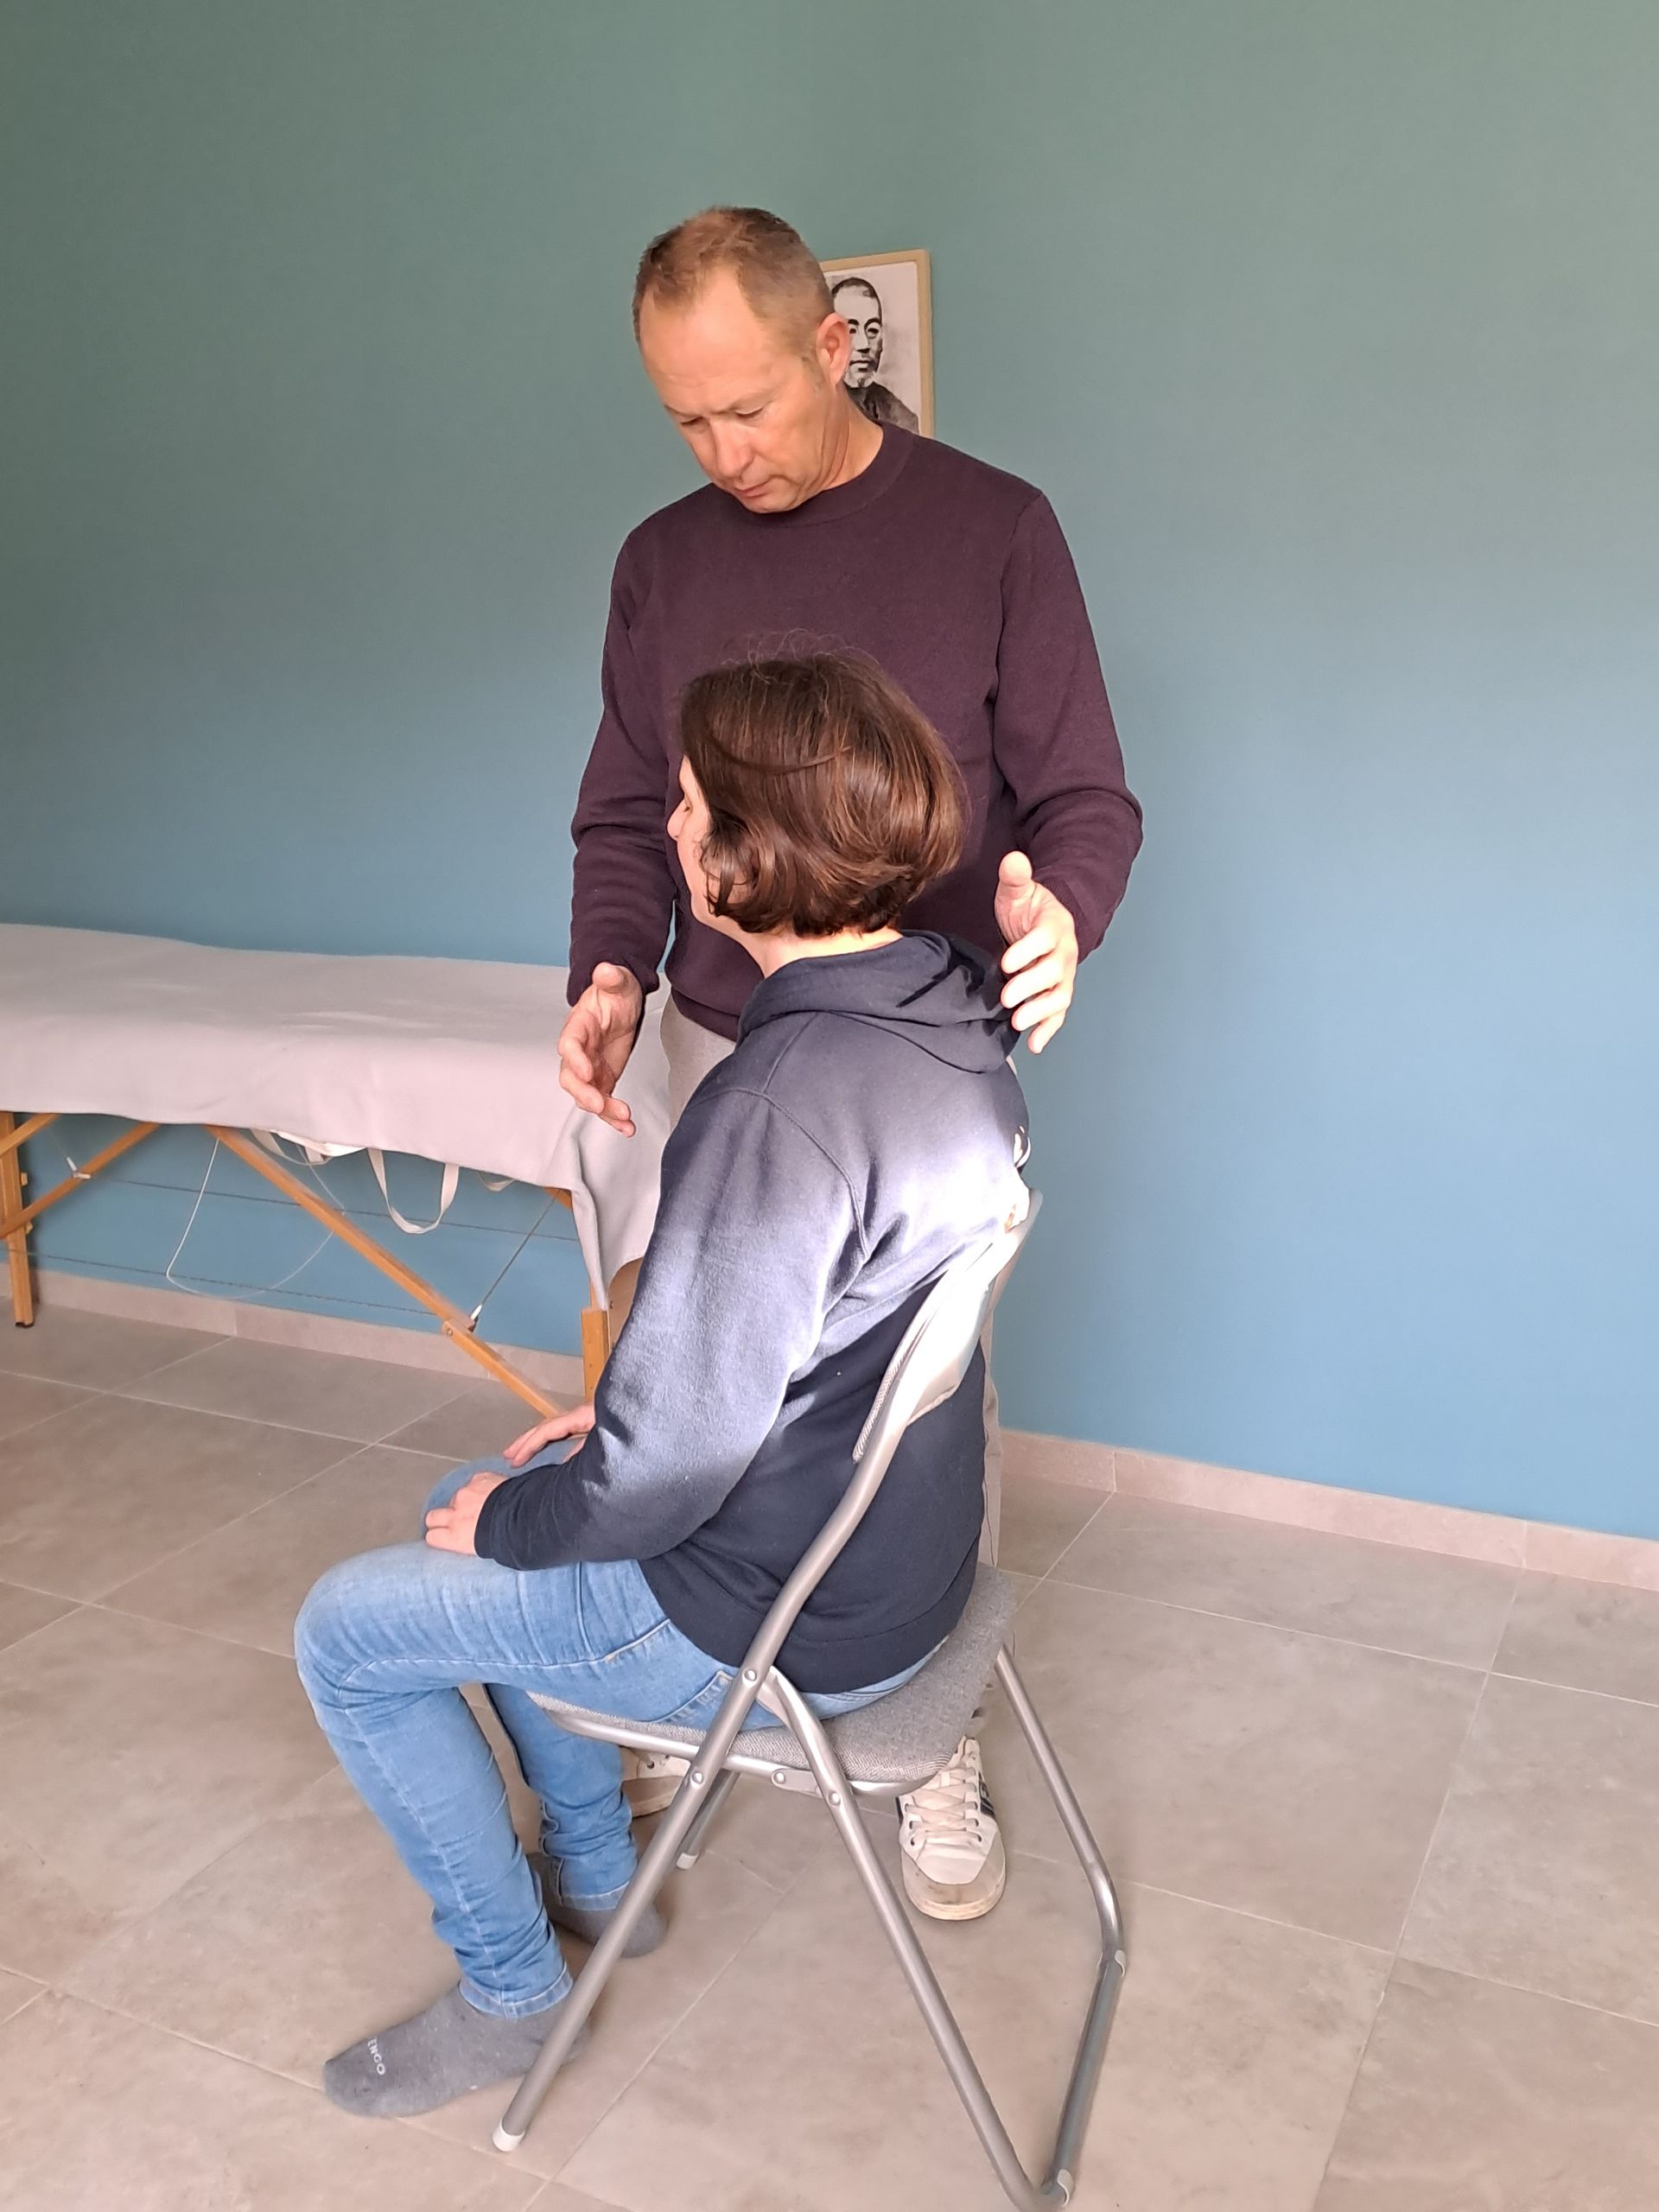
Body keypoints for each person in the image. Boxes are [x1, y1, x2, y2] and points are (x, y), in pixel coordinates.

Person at [295, 652, 1031, 2119]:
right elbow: (807, 1351)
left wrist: (561, 1497)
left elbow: (663, 1478)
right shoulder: (951, 1025)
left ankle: (512, 1996)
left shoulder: (776, 1104)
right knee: (473, 1498)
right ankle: (595, 1872)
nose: (671, 825)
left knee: (350, 1632)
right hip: (893, 1577)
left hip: (772, 1628)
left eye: (689, 803)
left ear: (751, 854)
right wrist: (624, 1421)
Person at [556, 204, 1141, 1921]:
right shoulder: (663, 563)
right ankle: (685, 1687)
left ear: (834, 347)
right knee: (691, 1369)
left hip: (903, 1057)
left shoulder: (993, 528)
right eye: (685, 420)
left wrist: (1062, 914)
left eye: (748, 406)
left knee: (912, 1405)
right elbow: (621, 809)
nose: (723, 451)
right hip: (722, 1035)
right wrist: (611, 967)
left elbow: (1086, 799)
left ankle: (927, 1733)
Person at [832, 273, 920, 432]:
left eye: (872, 330)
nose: (864, 345)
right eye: (851, 330)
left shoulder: (901, 418)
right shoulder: (807, 410)